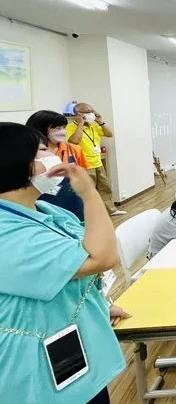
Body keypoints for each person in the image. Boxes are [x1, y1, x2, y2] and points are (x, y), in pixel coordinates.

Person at [0, 122, 127, 404]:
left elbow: (77, 263)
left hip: (76, 352)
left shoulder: (45, 210)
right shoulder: (7, 233)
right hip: (34, 370)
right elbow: (102, 257)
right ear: (17, 162)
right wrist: (88, 193)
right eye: (43, 149)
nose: (53, 155)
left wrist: (100, 306)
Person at [26, 110, 88, 220]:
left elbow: (84, 175)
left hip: (73, 202)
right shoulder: (29, 153)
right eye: (57, 128)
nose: (63, 132)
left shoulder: (74, 150)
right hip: (41, 204)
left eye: (63, 127)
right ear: (41, 129)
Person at [66, 102, 126, 216]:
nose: (92, 114)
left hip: (97, 161)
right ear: (78, 114)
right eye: (88, 112)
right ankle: (90, 215)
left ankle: (111, 210)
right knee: (88, 191)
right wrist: (80, 125)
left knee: (105, 188)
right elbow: (74, 141)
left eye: (92, 111)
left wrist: (100, 122)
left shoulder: (94, 125)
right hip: (83, 164)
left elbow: (109, 134)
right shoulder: (71, 127)